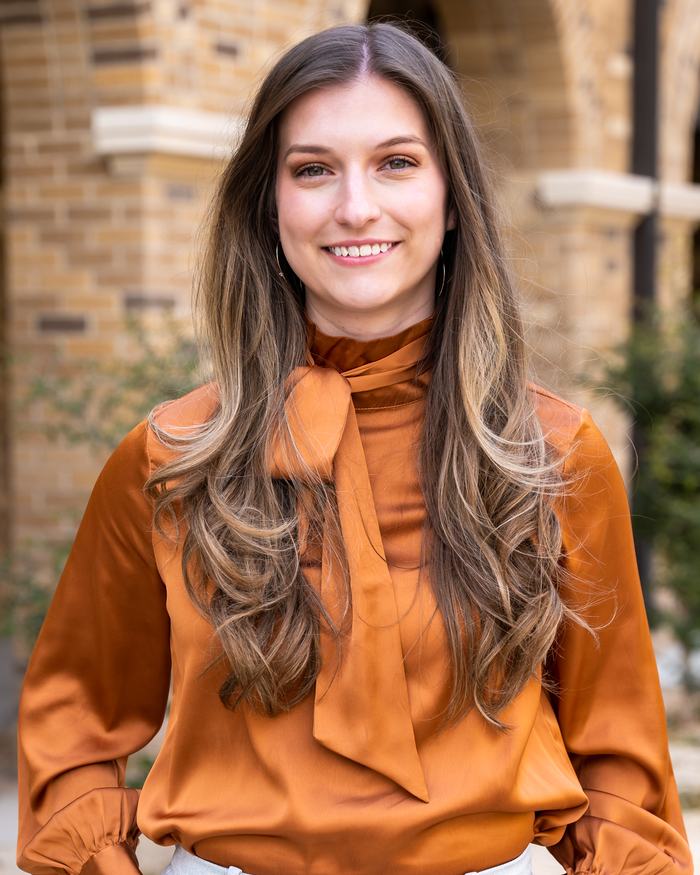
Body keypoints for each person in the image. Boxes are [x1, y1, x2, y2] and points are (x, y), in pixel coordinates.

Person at [16, 21, 692, 875]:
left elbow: (622, 763)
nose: (355, 207)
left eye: (396, 163)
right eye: (313, 169)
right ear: (269, 204)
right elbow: (71, 725)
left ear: (454, 200)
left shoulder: (552, 454)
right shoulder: (169, 459)